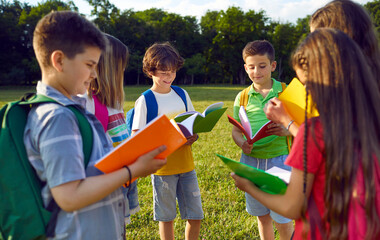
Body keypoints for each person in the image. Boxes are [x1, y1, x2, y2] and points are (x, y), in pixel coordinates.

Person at [24, 11, 166, 239]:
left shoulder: (72, 110)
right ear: (59, 60)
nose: (93, 74)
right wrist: (133, 171)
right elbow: (69, 197)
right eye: (90, 65)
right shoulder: (57, 117)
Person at [232, 28, 380, 240]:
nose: (307, 93)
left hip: (315, 220)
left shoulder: (317, 128)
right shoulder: (363, 123)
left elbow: (291, 207)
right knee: (262, 216)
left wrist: (248, 186)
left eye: (309, 84)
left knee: (281, 219)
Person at [264, 0, 380, 137]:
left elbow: (329, 146)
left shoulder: (343, 90)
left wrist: (286, 120)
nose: (311, 46)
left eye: (316, 38)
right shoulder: (368, 78)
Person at [131, 42, 203, 240]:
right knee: (166, 218)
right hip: (163, 169)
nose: (168, 76)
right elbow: (137, 137)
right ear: (150, 71)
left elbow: (192, 123)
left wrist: (193, 136)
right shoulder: (145, 100)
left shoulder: (181, 94)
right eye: (163, 72)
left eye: (171, 71)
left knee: (195, 215)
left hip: (187, 165)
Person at [231, 40, 293, 240]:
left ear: (273, 66)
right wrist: (242, 144)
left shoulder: (286, 92)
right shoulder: (242, 97)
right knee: (262, 216)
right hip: (251, 163)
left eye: (262, 66)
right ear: (245, 68)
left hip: (280, 161)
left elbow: (301, 127)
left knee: (282, 218)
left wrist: (286, 130)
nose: (256, 71)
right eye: (251, 67)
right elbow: (236, 131)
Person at [84, 33, 140, 225]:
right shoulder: (87, 102)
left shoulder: (113, 102)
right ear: (108, 68)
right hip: (100, 183)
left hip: (118, 179)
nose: (122, 74)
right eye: (121, 68)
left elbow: (121, 140)